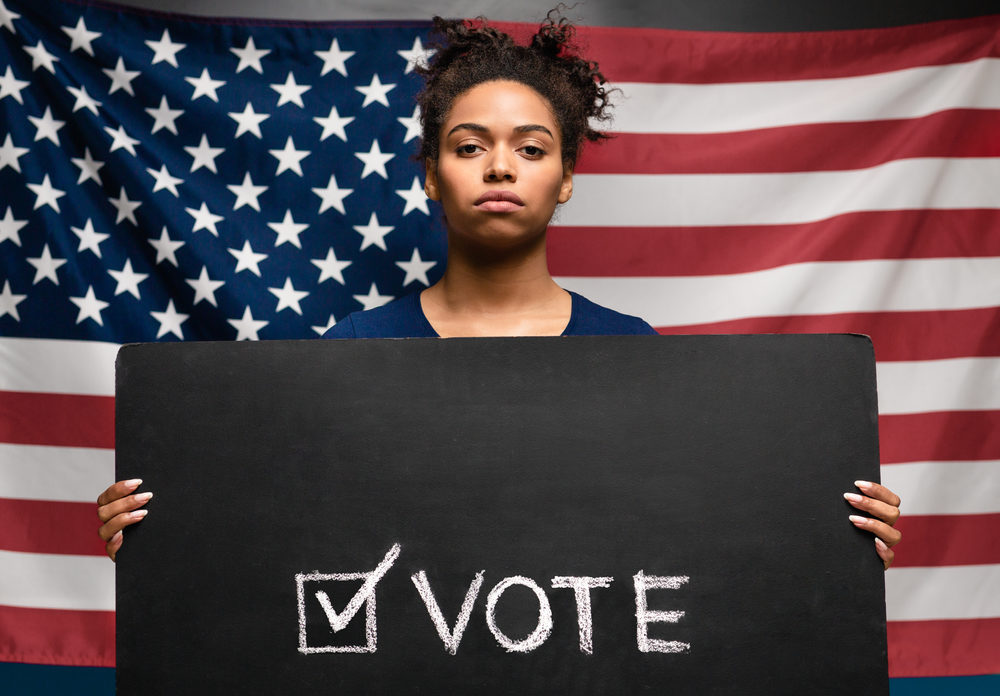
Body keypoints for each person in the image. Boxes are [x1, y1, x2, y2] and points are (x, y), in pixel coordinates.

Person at [98, 13, 901, 567]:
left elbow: (690, 543)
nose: (500, 167)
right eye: (470, 144)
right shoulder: (349, 354)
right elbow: (289, 539)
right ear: (431, 178)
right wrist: (168, 532)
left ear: (566, 180)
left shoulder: (630, 354)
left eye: (532, 146)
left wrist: (828, 536)